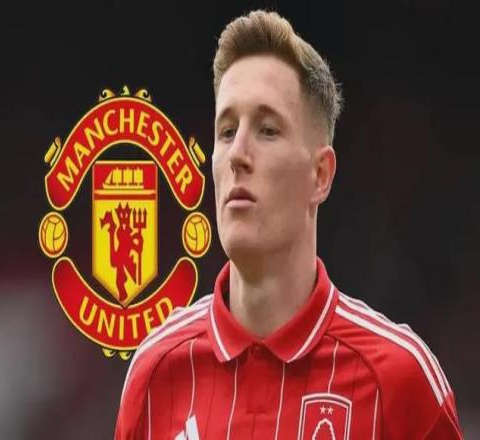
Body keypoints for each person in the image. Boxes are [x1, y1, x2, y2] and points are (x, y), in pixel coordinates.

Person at [115, 10, 463, 439]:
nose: (238, 154)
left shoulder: (399, 378)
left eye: (267, 130)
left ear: (320, 175)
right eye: (226, 131)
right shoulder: (156, 372)